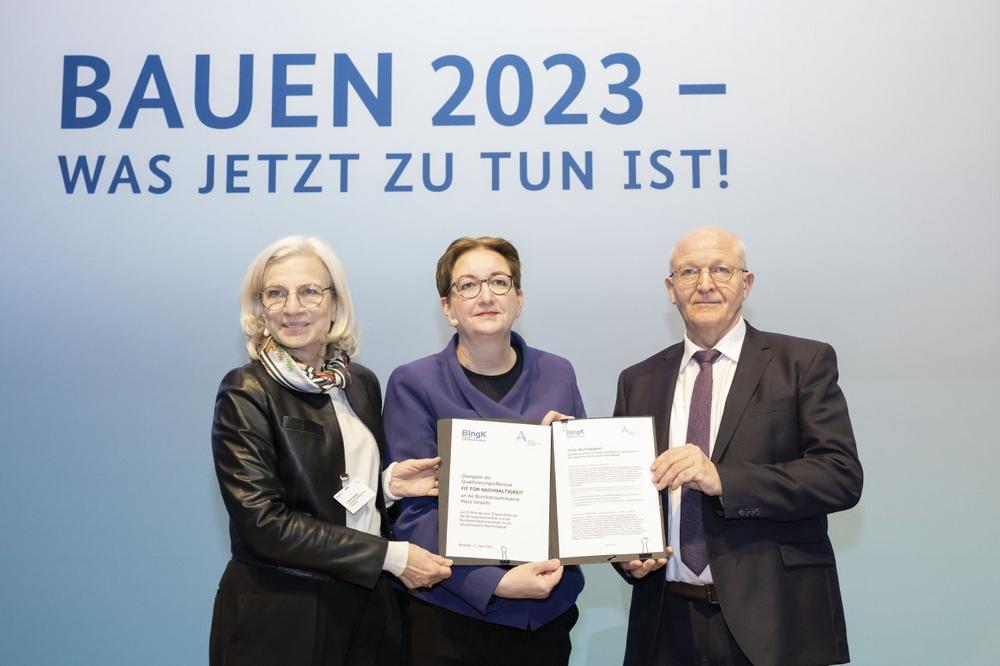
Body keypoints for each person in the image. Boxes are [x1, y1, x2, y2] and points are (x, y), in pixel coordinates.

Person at [615, 226, 862, 666]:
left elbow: (839, 476)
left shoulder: (802, 362)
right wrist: (627, 554)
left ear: (746, 283)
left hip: (775, 621)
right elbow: (626, 494)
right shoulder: (639, 380)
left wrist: (723, 479)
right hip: (665, 624)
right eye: (688, 272)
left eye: (721, 270)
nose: (705, 284)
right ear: (671, 289)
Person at [209, 235, 452, 666]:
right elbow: (264, 524)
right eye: (276, 293)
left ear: (335, 304)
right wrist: (390, 556)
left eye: (309, 291)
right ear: (260, 308)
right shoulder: (246, 390)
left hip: (366, 609)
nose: (292, 307)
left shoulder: (359, 383)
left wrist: (386, 487)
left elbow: (332, 488)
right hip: (283, 614)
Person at [383, 236, 586, 666]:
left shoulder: (558, 373)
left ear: (519, 298)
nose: (486, 296)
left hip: (547, 616)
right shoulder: (414, 383)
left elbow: (578, 492)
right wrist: (492, 582)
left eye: (499, 281)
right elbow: (413, 511)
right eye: (468, 286)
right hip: (450, 617)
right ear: (448, 308)